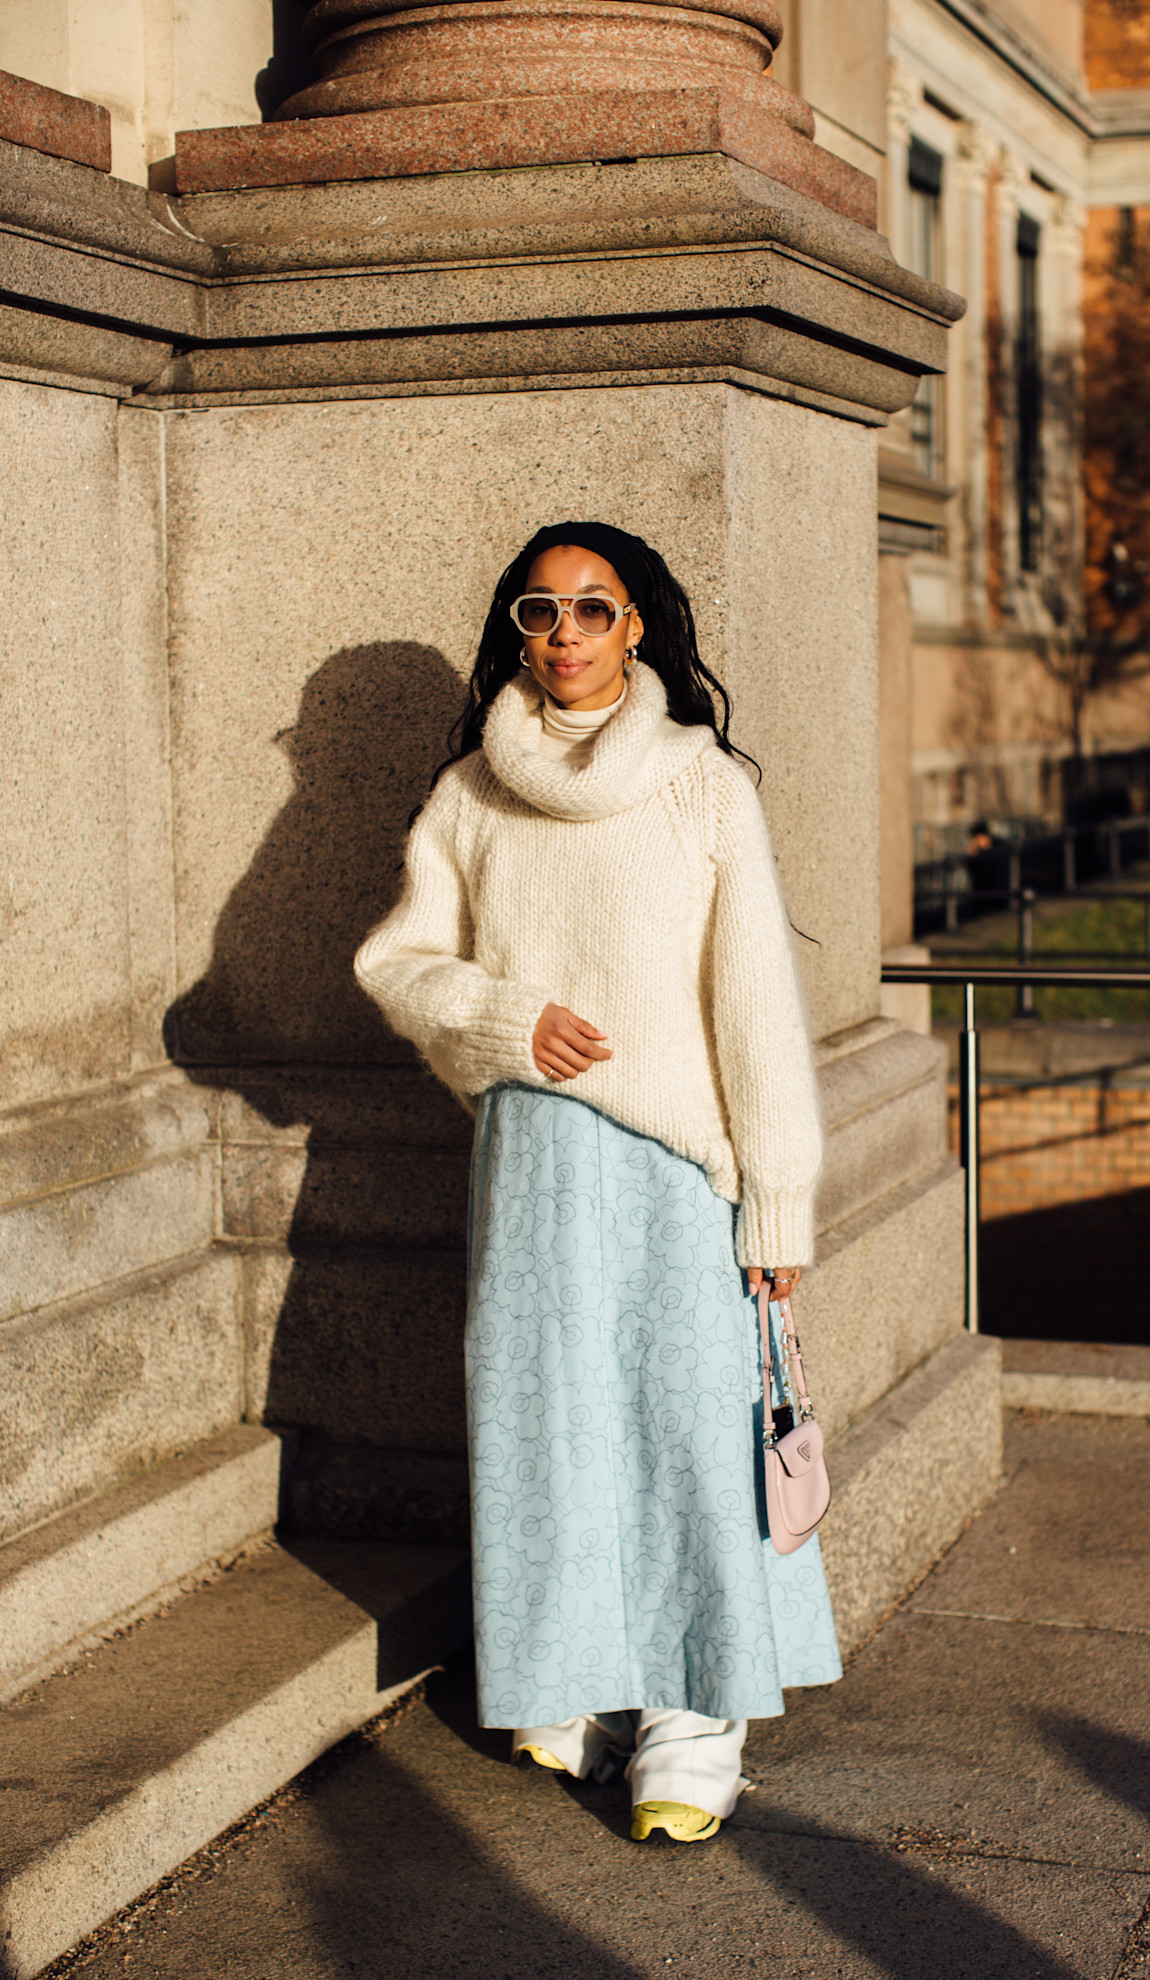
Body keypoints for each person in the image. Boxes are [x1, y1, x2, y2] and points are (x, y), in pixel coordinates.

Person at [355, 521, 841, 1844]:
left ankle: (697, 1707)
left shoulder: (701, 785)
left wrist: (777, 1198)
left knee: (689, 1422)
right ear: (518, 630)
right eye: (540, 610)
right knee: (546, 1419)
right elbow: (398, 962)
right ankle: (577, 1668)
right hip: (533, 1158)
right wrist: (506, 1020)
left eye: (593, 608)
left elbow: (754, 1004)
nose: (564, 632)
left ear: (639, 628)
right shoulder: (471, 792)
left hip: (681, 1162)